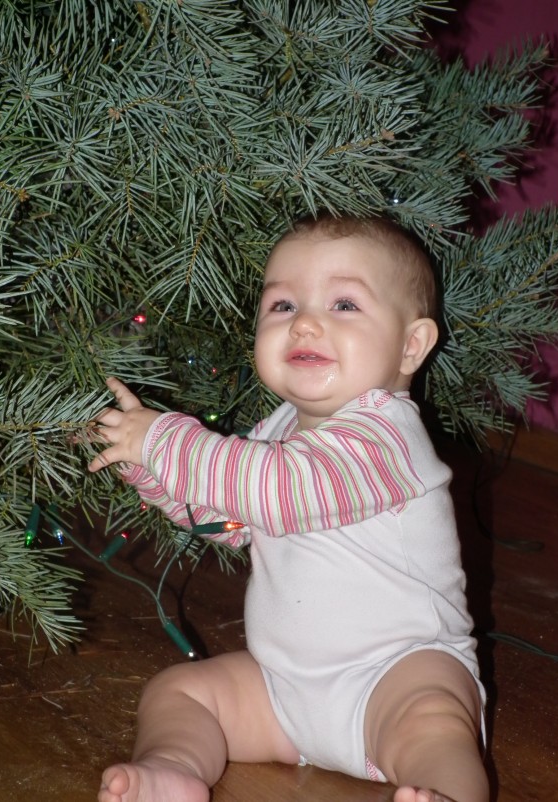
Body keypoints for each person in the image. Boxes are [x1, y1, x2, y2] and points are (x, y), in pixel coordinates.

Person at [88, 212, 489, 802]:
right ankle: (174, 769)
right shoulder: (278, 430)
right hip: (284, 686)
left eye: (344, 305)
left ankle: (446, 794)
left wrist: (166, 441)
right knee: (179, 692)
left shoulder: (387, 437)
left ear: (411, 346)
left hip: (397, 675)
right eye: (282, 307)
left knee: (437, 725)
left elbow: (275, 488)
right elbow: (229, 518)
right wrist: (149, 470)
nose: (305, 324)